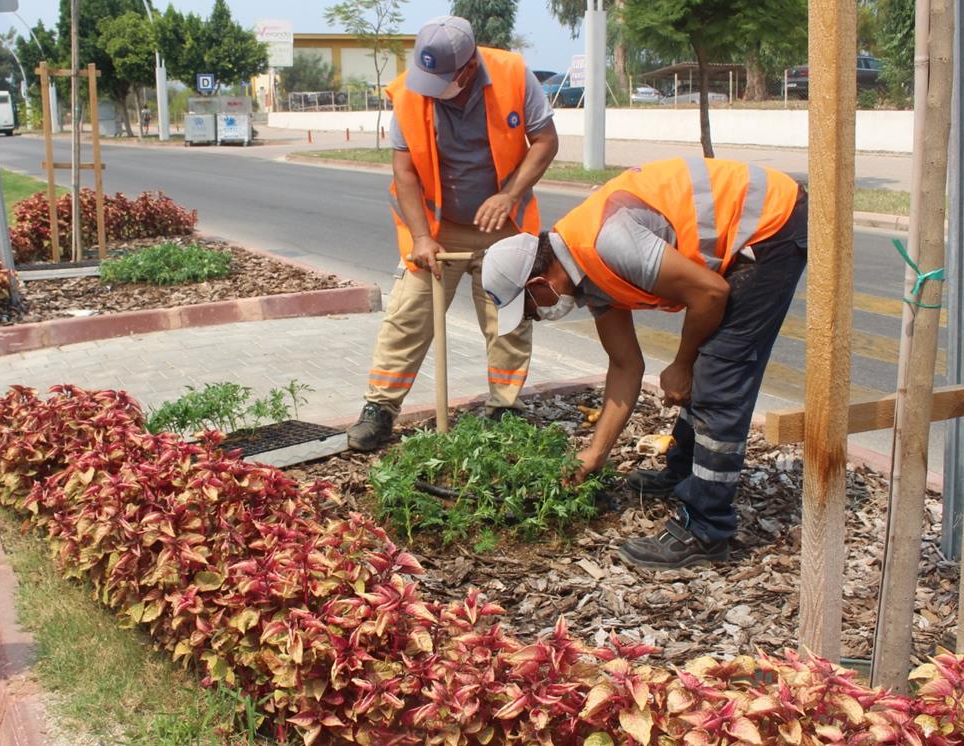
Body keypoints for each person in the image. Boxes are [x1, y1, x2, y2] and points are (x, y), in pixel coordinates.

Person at [479, 157, 808, 569]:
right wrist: (595, 454)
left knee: (719, 375)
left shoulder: (607, 244)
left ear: (540, 284)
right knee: (707, 367)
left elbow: (709, 293)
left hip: (772, 223)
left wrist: (681, 363)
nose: (534, 319)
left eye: (529, 311)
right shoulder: (587, 278)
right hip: (750, 229)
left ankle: (706, 532)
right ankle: (683, 473)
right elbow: (624, 366)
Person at [345, 16, 559, 451]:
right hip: (439, 232)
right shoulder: (408, 91)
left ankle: (505, 407)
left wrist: (510, 195)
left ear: (467, 68)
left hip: (504, 228)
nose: (428, 87)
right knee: (408, 315)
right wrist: (422, 237)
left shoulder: (513, 74)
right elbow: (404, 171)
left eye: (441, 79)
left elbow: (546, 141)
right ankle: (380, 409)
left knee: (507, 322)